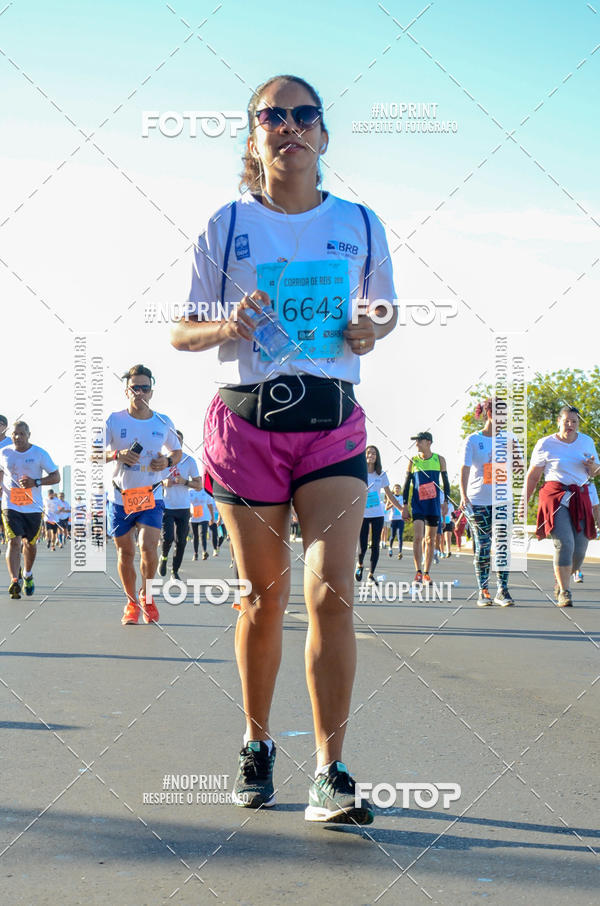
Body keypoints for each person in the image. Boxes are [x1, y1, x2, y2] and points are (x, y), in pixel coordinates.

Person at [171, 74, 397, 824]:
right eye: (274, 115)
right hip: (247, 426)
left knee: (332, 594)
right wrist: (228, 326)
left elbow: (383, 308)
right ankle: (256, 743)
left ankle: (331, 771)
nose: (290, 126)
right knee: (261, 598)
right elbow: (182, 330)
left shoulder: (360, 222)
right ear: (255, 136)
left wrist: (370, 327)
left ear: (324, 137)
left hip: (332, 423)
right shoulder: (226, 225)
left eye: (305, 115)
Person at [105, 365, 182, 625]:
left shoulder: (162, 421)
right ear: (126, 390)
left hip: (151, 495)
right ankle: (131, 602)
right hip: (120, 497)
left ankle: (147, 597)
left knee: (148, 547)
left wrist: (168, 461)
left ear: (151, 392)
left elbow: (177, 452)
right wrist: (117, 454)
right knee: (125, 553)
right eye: (134, 387)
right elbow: (93, 452)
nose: (139, 392)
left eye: (144, 388)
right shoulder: (114, 420)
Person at [524, 405, 599, 607]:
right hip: (555, 497)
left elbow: (595, 471)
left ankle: (561, 580)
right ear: (559, 421)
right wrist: (524, 501)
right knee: (565, 543)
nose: (570, 425)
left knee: (580, 548)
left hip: (580, 496)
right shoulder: (545, 444)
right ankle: (565, 591)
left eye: (574, 421)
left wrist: (592, 467)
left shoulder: (587, 441)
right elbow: (533, 476)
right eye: (566, 421)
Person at [460, 398, 523, 607]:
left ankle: (503, 590)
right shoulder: (473, 440)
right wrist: (463, 495)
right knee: (484, 547)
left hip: (504, 501)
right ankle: (483, 590)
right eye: (501, 414)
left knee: (503, 546)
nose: (505, 419)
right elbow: (465, 468)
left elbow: (519, 468)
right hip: (479, 500)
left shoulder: (510, 438)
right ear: (490, 414)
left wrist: (515, 456)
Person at [0, 421, 60, 598]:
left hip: (33, 507)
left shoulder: (39, 453)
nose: (18, 437)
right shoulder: (4, 452)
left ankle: (27, 574)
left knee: (30, 544)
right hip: (10, 505)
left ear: (28, 435)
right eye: (15, 434)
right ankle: (14, 580)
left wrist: (36, 482)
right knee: (14, 541)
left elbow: (56, 476)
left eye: (22, 434)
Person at [402, 432, 449, 585]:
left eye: (419, 441)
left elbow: (446, 483)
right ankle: (418, 572)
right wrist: (404, 505)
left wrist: (446, 502)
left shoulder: (439, 459)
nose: (416, 444)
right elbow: (406, 484)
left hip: (433, 504)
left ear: (428, 442)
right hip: (418, 504)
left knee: (430, 539)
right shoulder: (413, 460)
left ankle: (427, 573)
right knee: (418, 537)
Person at [158, 430, 201, 579]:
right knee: (168, 538)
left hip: (183, 507)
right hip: (167, 506)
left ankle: (174, 571)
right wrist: (163, 482)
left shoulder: (189, 461)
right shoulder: (162, 461)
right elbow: (151, 483)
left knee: (181, 541)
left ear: (182, 444)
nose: (176, 443)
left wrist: (185, 482)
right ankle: (163, 558)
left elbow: (199, 485)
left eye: (179, 441)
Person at [355, 446, 401, 582]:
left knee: (375, 544)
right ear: (364, 456)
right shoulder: (359, 472)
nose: (371, 455)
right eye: (368, 453)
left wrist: (401, 508)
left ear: (377, 457)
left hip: (378, 514)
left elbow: (390, 495)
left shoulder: (381, 474)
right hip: (362, 513)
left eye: (374, 453)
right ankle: (360, 564)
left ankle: (371, 574)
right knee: (362, 545)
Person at [189, 485, 216, 560]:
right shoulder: (190, 491)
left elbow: (210, 504)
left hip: (204, 517)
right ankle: (195, 553)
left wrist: (212, 518)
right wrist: (188, 512)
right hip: (193, 517)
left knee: (202, 534)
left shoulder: (205, 491)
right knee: (195, 536)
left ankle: (204, 552)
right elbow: (186, 503)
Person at [386, 484, 404, 559]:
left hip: (400, 519)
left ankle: (400, 552)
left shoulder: (403, 498)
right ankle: (390, 548)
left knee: (400, 536)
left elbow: (405, 507)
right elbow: (386, 508)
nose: (397, 490)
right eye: (395, 488)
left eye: (398, 488)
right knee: (393, 536)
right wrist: (393, 504)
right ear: (393, 490)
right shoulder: (391, 497)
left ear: (400, 490)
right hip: (393, 519)